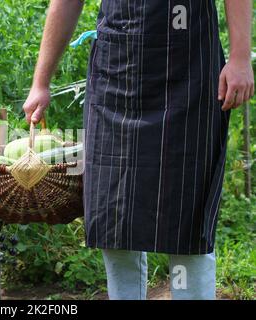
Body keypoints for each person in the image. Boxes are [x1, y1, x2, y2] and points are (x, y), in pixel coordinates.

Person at [22, 0, 254, 300]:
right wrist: (40, 82)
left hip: (190, 66)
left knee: (187, 218)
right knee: (113, 219)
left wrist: (239, 58)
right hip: (117, 71)